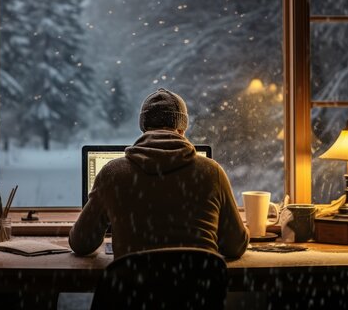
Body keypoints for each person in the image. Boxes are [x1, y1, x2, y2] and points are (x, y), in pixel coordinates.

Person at [69, 88, 249, 259]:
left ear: (144, 128)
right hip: (195, 290)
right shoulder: (211, 173)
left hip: (134, 289)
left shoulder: (113, 174)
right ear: (182, 129)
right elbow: (235, 247)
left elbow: (82, 243)